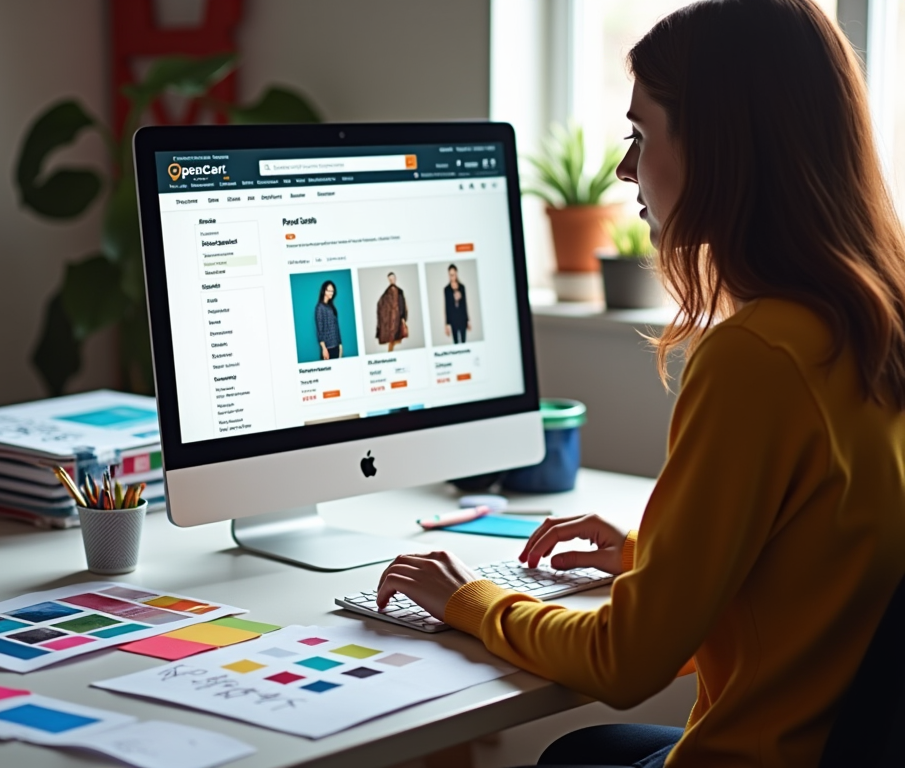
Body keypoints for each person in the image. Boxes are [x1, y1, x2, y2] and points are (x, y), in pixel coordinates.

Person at [376, 2, 905, 766]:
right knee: (590, 750)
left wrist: (466, 600)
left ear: (722, 148)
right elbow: (820, 563)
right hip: (826, 745)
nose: (626, 169)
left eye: (640, 135)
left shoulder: (758, 358)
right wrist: (647, 557)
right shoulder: (873, 321)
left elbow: (626, 662)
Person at [376, 272, 408, 353]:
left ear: (395, 278)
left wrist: (403, 317)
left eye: (393, 278)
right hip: (390, 321)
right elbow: (381, 304)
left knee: (396, 338)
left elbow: (402, 305)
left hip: (398, 319)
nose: (392, 280)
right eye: (390, 279)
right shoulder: (386, 293)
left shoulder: (400, 291)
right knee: (392, 339)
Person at [314, 280, 341, 360]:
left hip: (336, 346)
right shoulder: (319, 308)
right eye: (329, 291)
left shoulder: (331, 307)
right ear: (324, 291)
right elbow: (320, 330)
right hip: (328, 348)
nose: (331, 293)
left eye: (332, 291)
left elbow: (336, 327)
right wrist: (324, 348)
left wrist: (340, 345)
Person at [443, 264, 470, 343]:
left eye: (453, 274)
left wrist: (467, 320)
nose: (452, 277)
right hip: (453, 320)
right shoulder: (447, 290)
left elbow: (465, 304)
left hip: (462, 319)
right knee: (456, 343)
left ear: (456, 274)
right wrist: (447, 324)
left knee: (464, 342)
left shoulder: (462, 287)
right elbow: (447, 307)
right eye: (450, 275)